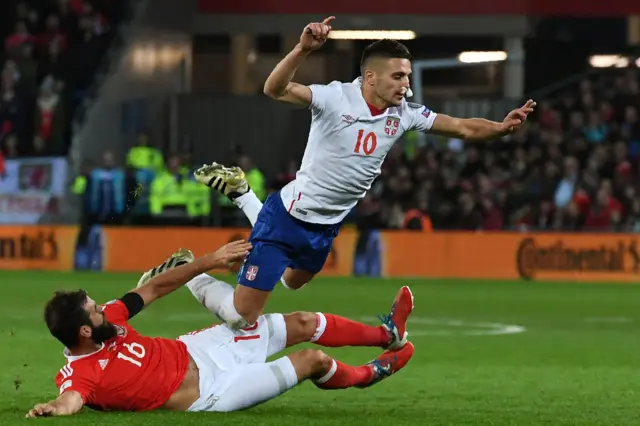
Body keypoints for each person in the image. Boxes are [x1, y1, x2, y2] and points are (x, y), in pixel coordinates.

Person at [193, 17, 536, 330]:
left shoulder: (404, 113)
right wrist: (302, 50)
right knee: (243, 316)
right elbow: (275, 89)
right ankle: (191, 271)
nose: (406, 84)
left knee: (292, 282)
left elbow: (462, 127)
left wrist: (501, 128)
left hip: (326, 226)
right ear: (371, 77)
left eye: (407, 75)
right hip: (286, 218)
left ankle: (242, 192)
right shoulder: (334, 98)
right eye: (398, 76)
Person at [26, 243, 415, 418]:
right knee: (312, 360)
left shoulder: (111, 320)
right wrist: (52, 409)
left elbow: (154, 287)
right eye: (95, 312)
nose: (104, 310)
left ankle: (387, 335)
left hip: (205, 348)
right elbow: (71, 399)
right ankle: (370, 374)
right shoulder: (80, 375)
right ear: (82, 332)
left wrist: (207, 261)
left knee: (303, 323)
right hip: (214, 392)